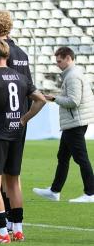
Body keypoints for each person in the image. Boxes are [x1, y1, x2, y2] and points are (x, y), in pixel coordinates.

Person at [0, 39, 45, 243]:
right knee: (13, 181)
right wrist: (24, 119)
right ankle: (18, 230)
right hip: (16, 133)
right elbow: (40, 99)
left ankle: (2, 233)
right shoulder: (21, 77)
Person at [33, 47, 94, 203]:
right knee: (63, 157)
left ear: (68, 58)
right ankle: (55, 191)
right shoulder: (72, 74)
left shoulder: (72, 76)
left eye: (59, 61)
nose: (57, 64)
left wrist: (54, 99)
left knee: (81, 158)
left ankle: (90, 193)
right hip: (73, 123)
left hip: (75, 123)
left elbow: (74, 101)